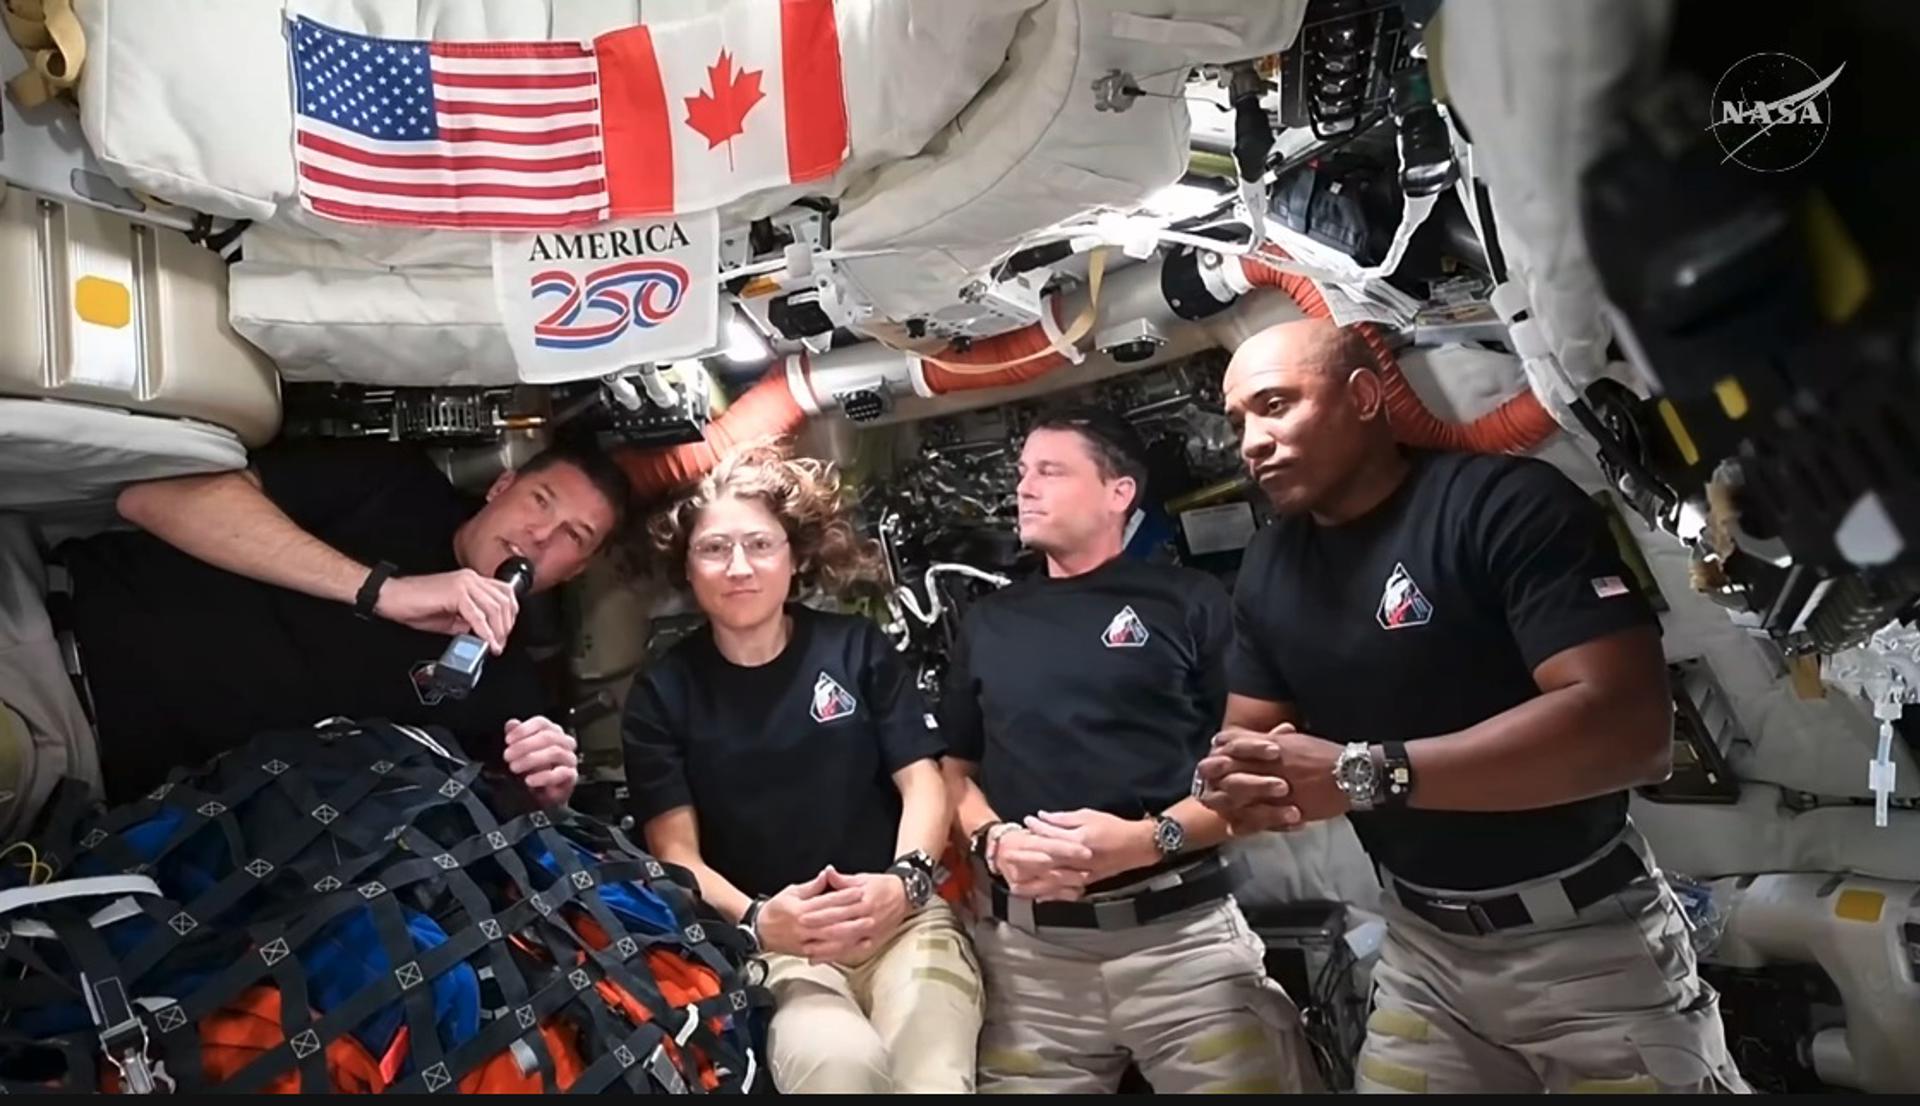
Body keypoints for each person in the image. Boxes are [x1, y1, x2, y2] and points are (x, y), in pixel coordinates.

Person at [1197, 318, 1750, 1094]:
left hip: (1586, 945)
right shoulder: (1269, 564)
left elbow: (1630, 731)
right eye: (1237, 424)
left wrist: (1364, 774)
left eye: (1276, 405)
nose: (1252, 442)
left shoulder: (1503, 504)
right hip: (1424, 951)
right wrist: (1236, 785)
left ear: (1364, 396)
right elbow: (1248, 746)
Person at [940, 406, 1310, 1095]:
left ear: (1119, 492)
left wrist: (1148, 840)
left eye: (1050, 471)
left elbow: (1256, 770)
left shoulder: (1190, 602)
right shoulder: (988, 624)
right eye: (1022, 472)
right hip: (1032, 963)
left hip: (1183, 947)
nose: (1025, 487)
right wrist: (993, 842)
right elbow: (953, 771)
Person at [620, 445, 980, 1094]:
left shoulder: (855, 649)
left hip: (900, 921)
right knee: (838, 1067)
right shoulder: (663, 693)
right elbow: (676, 855)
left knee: (930, 1075)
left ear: (795, 556)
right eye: (714, 549)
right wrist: (760, 919)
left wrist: (905, 882)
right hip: (778, 945)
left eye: (760, 544)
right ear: (687, 567)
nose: (739, 567)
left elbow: (923, 782)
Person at [19, 437, 625, 821]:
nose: (540, 536)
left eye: (573, 536)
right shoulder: (394, 482)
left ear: (577, 569)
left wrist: (541, 795)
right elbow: (153, 500)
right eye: (540, 500)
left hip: (80, 769)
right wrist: (383, 591)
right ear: (501, 486)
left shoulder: (512, 694)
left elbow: (472, 827)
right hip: (43, 627)